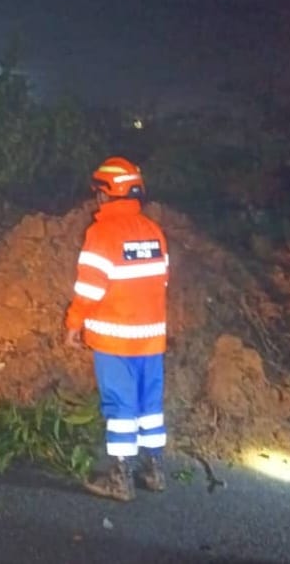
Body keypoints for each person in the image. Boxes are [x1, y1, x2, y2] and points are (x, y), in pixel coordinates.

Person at [64, 156, 169, 502]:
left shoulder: (102, 233)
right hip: (151, 337)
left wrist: (73, 323)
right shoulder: (154, 232)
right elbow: (162, 281)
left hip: (115, 339)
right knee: (149, 403)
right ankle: (153, 470)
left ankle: (119, 478)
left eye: (98, 192)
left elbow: (90, 290)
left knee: (121, 406)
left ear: (106, 194)